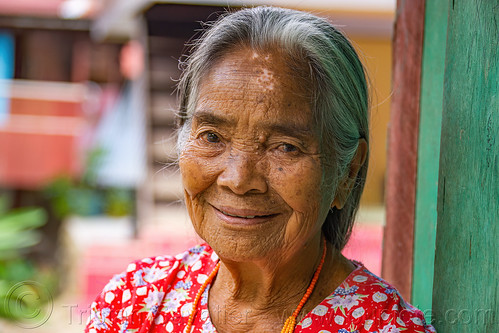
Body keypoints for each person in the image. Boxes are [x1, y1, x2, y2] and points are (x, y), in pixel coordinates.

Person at [85, 6, 435, 333]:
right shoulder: (135, 304)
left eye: (285, 147)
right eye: (212, 136)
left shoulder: (385, 326)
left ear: (347, 173)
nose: (238, 180)